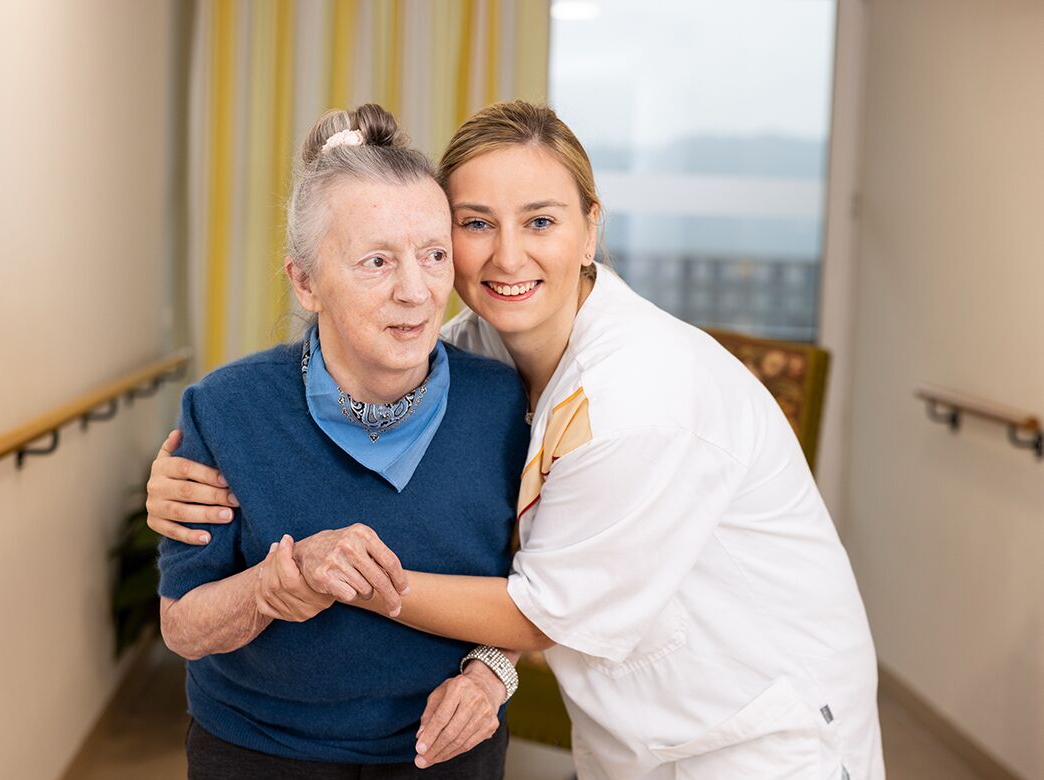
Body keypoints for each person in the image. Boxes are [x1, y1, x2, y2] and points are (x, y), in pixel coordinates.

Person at [150, 101, 885, 780]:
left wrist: (354, 586)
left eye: (540, 221)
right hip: (629, 731)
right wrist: (185, 472)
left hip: (755, 734)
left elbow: (541, 606)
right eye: (475, 224)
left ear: (590, 229)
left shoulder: (640, 400)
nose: (505, 258)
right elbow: (362, 361)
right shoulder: (473, 351)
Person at [154, 103, 532, 779]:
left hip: (443, 753)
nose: (416, 292)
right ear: (305, 281)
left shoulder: (505, 403)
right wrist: (271, 586)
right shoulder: (226, 409)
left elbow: (538, 592)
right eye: (377, 261)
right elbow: (182, 626)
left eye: (434, 255)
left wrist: (489, 674)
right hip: (258, 751)